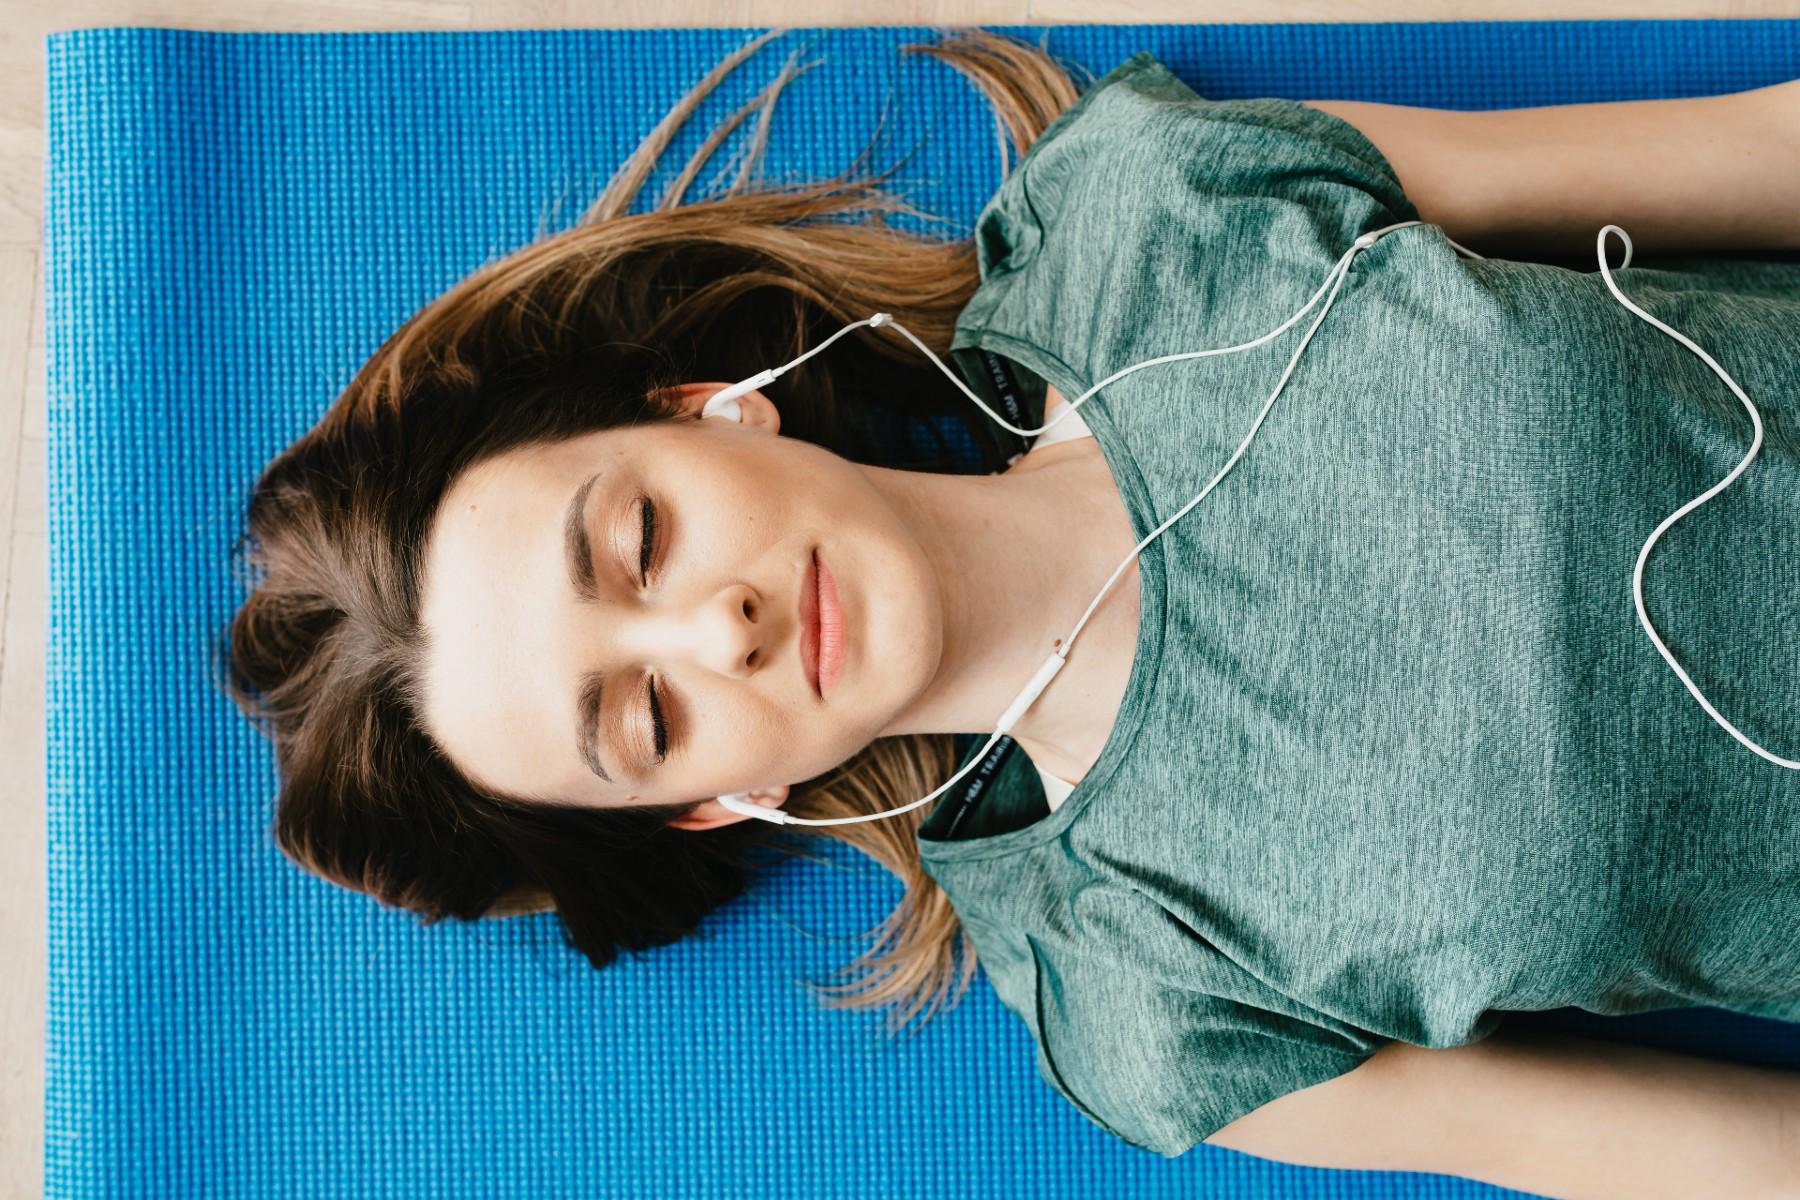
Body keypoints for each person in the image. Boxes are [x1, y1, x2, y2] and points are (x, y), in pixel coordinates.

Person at [225, 27, 1800, 1197]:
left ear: (711, 409)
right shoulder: (1139, 992)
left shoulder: (1141, 217)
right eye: (646, 716)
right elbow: (1729, 1155)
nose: (720, 630)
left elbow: (1752, 152)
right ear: (718, 803)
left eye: (639, 538)